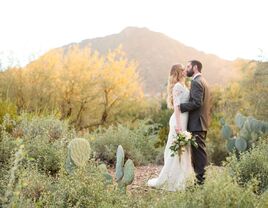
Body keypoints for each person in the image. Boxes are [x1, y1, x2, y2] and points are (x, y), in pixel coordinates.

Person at [147, 64, 194, 191]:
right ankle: (172, 179)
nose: (185, 71)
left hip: (185, 119)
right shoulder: (177, 86)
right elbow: (177, 107)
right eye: (183, 70)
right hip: (178, 121)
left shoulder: (183, 85)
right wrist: (179, 126)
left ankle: (183, 177)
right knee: (176, 149)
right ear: (178, 72)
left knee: (184, 149)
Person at [180, 60, 210, 185]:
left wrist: (180, 107)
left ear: (195, 67)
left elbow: (197, 103)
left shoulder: (196, 82)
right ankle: (199, 182)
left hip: (197, 124)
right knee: (198, 153)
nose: (186, 69)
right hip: (201, 123)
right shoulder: (203, 81)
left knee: (198, 154)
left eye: (188, 66)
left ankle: (200, 183)